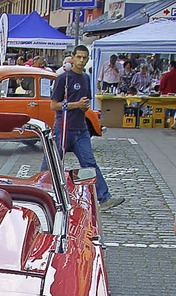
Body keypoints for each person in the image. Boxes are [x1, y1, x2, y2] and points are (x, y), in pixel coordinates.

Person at [48, 44, 124, 211]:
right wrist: (76, 104)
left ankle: (103, 198)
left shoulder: (85, 78)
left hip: (81, 129)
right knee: (52, 163)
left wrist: (84, 107)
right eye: (79, 57)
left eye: (84, 58)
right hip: (64, 128)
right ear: (73, 58)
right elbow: (54, 105)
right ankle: (43, 193)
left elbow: (85, 102)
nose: (81, 61)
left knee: (89, 163)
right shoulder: (64, 78)